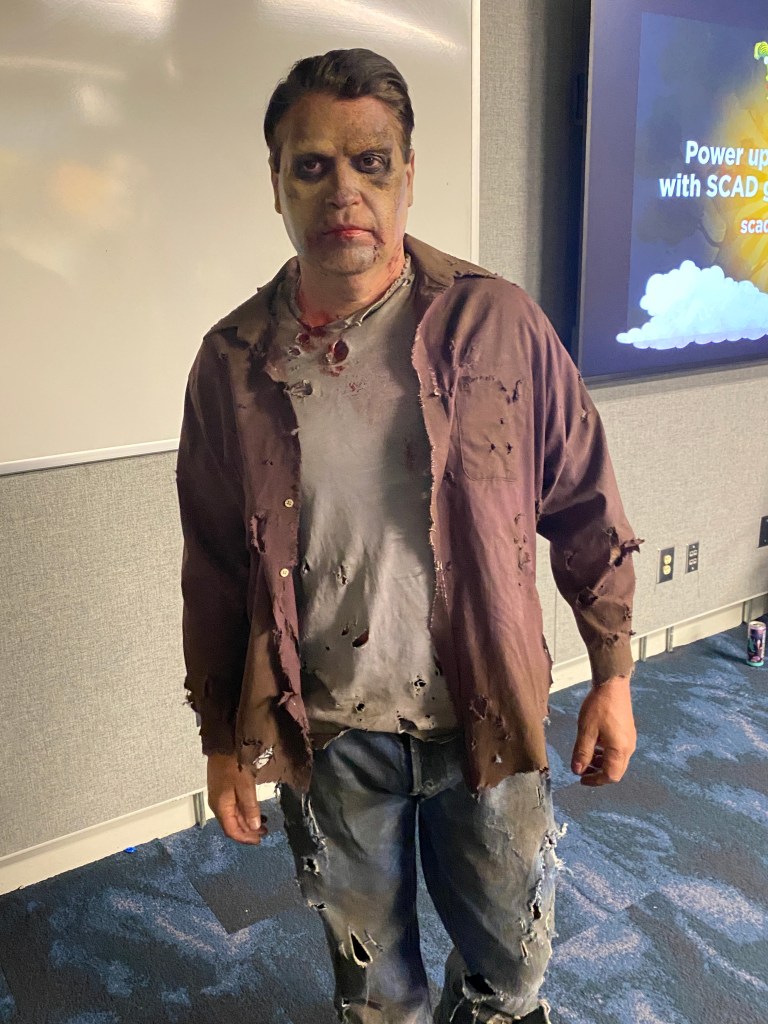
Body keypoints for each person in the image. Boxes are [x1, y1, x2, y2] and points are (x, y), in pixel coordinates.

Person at [176, 48, 640, 1024]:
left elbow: (584, 497)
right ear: (276, 181)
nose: (344, 189)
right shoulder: (233, 363)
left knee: (511, 974)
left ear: (410, 174)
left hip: (487, 713)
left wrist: (613, 672)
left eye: (371, 161)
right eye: (312, 165)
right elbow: (213, 567)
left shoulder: (498, 323)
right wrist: (222, 738)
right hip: (332, 731)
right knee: (376, 995)